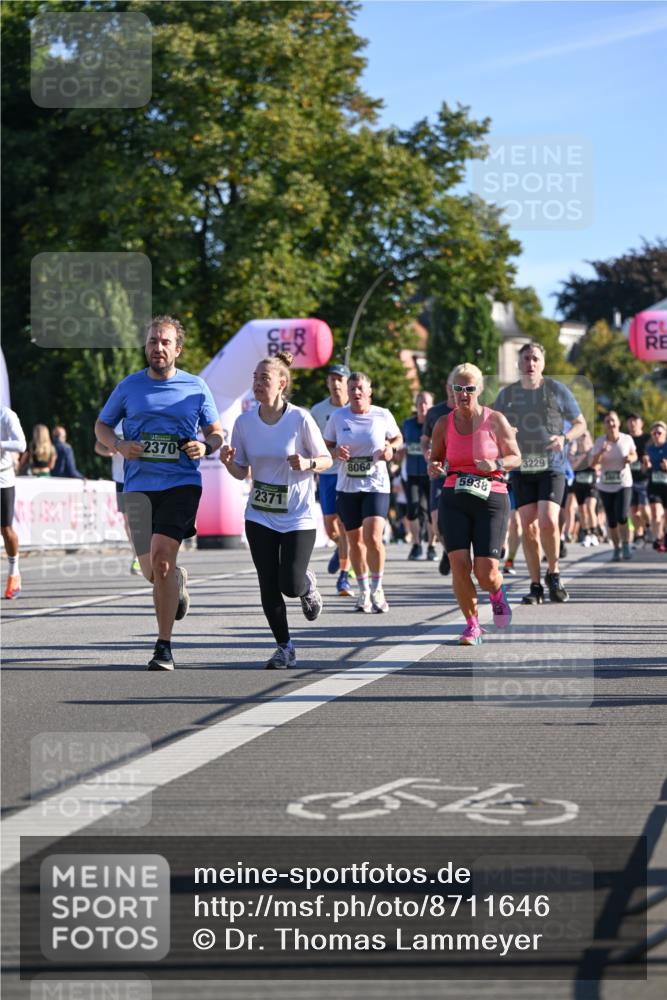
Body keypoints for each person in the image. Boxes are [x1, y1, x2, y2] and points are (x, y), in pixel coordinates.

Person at [95, 315, 223, 671]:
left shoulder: (196, 387)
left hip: (180, 483)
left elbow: (215, 431)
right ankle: (175, 581)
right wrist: (119, 444)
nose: (158, 348)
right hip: (137, 486)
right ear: (146, 346)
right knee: (153, 570)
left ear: (178, 349)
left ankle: (163, 646)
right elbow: (101, 425)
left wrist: (205, 446)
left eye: (165, 342)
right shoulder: (128, 387)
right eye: (153, 341)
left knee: (163, 558)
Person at [220, 351, 332, 668]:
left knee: (290, 584)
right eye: (255, 378)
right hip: (259, 514)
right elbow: (242, 472)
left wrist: (308, 462)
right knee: (267, 582)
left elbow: (326, 460)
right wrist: (229, 464)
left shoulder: (300, 418)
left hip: (298, 516)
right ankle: (284, 646)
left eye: (264, 378)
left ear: (281, 383)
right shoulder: (243, 423)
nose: (257, 384)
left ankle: (306, 584)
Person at [429, 363, 521, 645]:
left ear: (479, 389)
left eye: (469, 388)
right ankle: (472, 625)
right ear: (451, 390)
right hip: (454, 495)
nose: (464, 394)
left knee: (486, 572)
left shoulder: (495, 420)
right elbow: (436, 458)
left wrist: (495, 462)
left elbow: (516, 456)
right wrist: (434, 467)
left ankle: (496, 592)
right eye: (458, 388)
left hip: (491, 496)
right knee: (459, 563)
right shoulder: (443, 423)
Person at [494, 342, 586, 605]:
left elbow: (581, 424)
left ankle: (553, 573)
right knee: (528, 526)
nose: (530, 363)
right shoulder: (508, 394)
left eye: (535, 358)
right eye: (526, 359)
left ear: (542, 363)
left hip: (552, 464)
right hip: (522, 466)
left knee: (548, 520)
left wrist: (564, 437)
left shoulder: (556, 390)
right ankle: (535, 585)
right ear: (518, 363)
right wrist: (506, 431)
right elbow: (493, 425)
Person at [325, 371, 402, 614]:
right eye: (352, 389)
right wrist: (337, 452)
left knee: (373, 538)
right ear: (347, 393)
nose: (356, 392)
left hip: (376, 484)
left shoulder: (382, 414)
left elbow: (398, 437)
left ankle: (378, 587)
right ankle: (364, 590)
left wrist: (390, 447)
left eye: (360, 388)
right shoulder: (338, 417)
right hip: (347, 487)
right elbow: (326, 445)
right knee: (355, 541)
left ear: (369, 391)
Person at [310, 363, 353, 596]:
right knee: (331, 528)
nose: (336, 384)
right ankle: (342, 549)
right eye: (332, 379)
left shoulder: (355, 408)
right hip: (327, 474)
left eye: (340, 379)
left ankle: (344, 577)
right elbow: (311, 442)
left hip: (350, 474)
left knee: (346, 526)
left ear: (347, 382)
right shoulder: (318, 411)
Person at [421, 373, 456, 575]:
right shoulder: (434, 413)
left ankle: (454, 552)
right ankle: (448, 549)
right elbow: (425, 439)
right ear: (446, 387)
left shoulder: (469, 412)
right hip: (438, 472)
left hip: (460, 472)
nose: (455, 390)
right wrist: (428, 453)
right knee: (436, 523)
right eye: (452, 386)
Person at [589, 411, 637, 561]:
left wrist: (630, 458)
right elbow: (593, 464)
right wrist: (601, 452)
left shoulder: (627, 439)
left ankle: (626, 545)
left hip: (624, 483)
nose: (611, 424)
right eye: (607, 421)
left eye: (613, 421)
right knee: (611, 520)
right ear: (604, 425)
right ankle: (616, 548)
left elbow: (634, 455)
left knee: (622, 516)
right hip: (605, 485)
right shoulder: (600, 441)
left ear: (618, 423)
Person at [94, 423, 141, 574]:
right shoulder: (113, 421)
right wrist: (108, 451)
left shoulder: (140, 417)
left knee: (142, 519)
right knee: (129, 522)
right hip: (120, 478)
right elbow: (98, 446)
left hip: (140, 475)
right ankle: (137, 556)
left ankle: (146, 553)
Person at [399, 391, 436, 560]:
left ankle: (431, 546)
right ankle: (416, 544)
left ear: (431, 406)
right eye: (420, 402)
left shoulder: (436, 424)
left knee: (431, 511)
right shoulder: (407, 424)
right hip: (411, 473)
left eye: (426, 403)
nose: (422, 406)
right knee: (412, 509)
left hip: (431, 474)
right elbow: (401, 447)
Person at [1, 404, 27, 599]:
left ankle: (14, 572)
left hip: (3, 479)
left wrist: (1, 444)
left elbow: (21, 444)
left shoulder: (7, 415)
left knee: (6, 530)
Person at [568, 429, 599, 547]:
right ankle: (586, 533)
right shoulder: (574, 452)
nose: (582, 439)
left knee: (590, 507)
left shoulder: (593, 451)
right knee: (582, 510)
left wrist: (588, 453)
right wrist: (579, 455)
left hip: (591, 483)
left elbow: (594, 464)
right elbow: (573, 466)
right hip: (579, 483)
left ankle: (594, 533)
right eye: (580, 436)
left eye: (585, 436)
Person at [626, 414, 651, 546]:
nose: (632, 424)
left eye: (635, 421)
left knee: (644, 507)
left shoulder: (648, 438)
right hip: (629, 479)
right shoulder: (625, 439)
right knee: (634, 511)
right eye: (630, 421)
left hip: (644, 479)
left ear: (641, 423)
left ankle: (648, 526)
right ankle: (639, 534)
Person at [645, 420, 667, 552]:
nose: (656, 435)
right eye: (654, 433)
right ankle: (658, 539)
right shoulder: (649, 449)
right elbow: (644, 470)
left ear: (665, 434)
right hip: (654, 484)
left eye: (659, 432)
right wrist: (646, 466)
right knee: (655, 512)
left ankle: (665, 535)